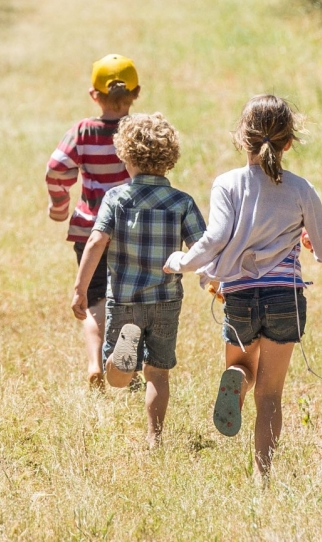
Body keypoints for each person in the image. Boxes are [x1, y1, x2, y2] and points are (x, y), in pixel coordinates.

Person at [164, 94, 322, 477]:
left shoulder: (227, 184)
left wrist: (181, 261)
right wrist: (309, 242)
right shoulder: (301, 189)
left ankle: (238, 381)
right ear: (289, 141)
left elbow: (213, 239)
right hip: (285, 298)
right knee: (271, 394)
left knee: (243, 366)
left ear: (242, 139)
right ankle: (263, 477)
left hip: (240, 295)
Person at [72, 113, 206, 447]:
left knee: (118, 377)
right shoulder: (182, 202)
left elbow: (96, 242)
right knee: (158, 372)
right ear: (170, 157)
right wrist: (213, 281)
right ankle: (154, 438)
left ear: (125, 155)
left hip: (125, 299)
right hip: (166, 300)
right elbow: (203, 248)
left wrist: (80, 288)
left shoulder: (117, 199)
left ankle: (121, 359)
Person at [46, 54, 141, 388]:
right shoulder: (138, 131)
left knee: (94, 300)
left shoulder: (83, 131)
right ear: (136, 92)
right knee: (131, 299)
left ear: (94, 95)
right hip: (134, 231)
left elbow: (57, 168)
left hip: (89, 230)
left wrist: (60, 206)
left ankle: (95, 363)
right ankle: (128, 370)